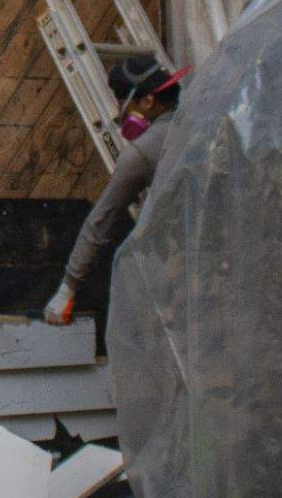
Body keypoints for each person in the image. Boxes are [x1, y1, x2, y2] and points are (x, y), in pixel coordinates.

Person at [43, 55, 185, 326]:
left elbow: (101, 222)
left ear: (147, 101)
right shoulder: (203, 120)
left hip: (182, 278)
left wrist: (67, 288)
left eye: (123, 102)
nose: (120, 110)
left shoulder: (142, 152)